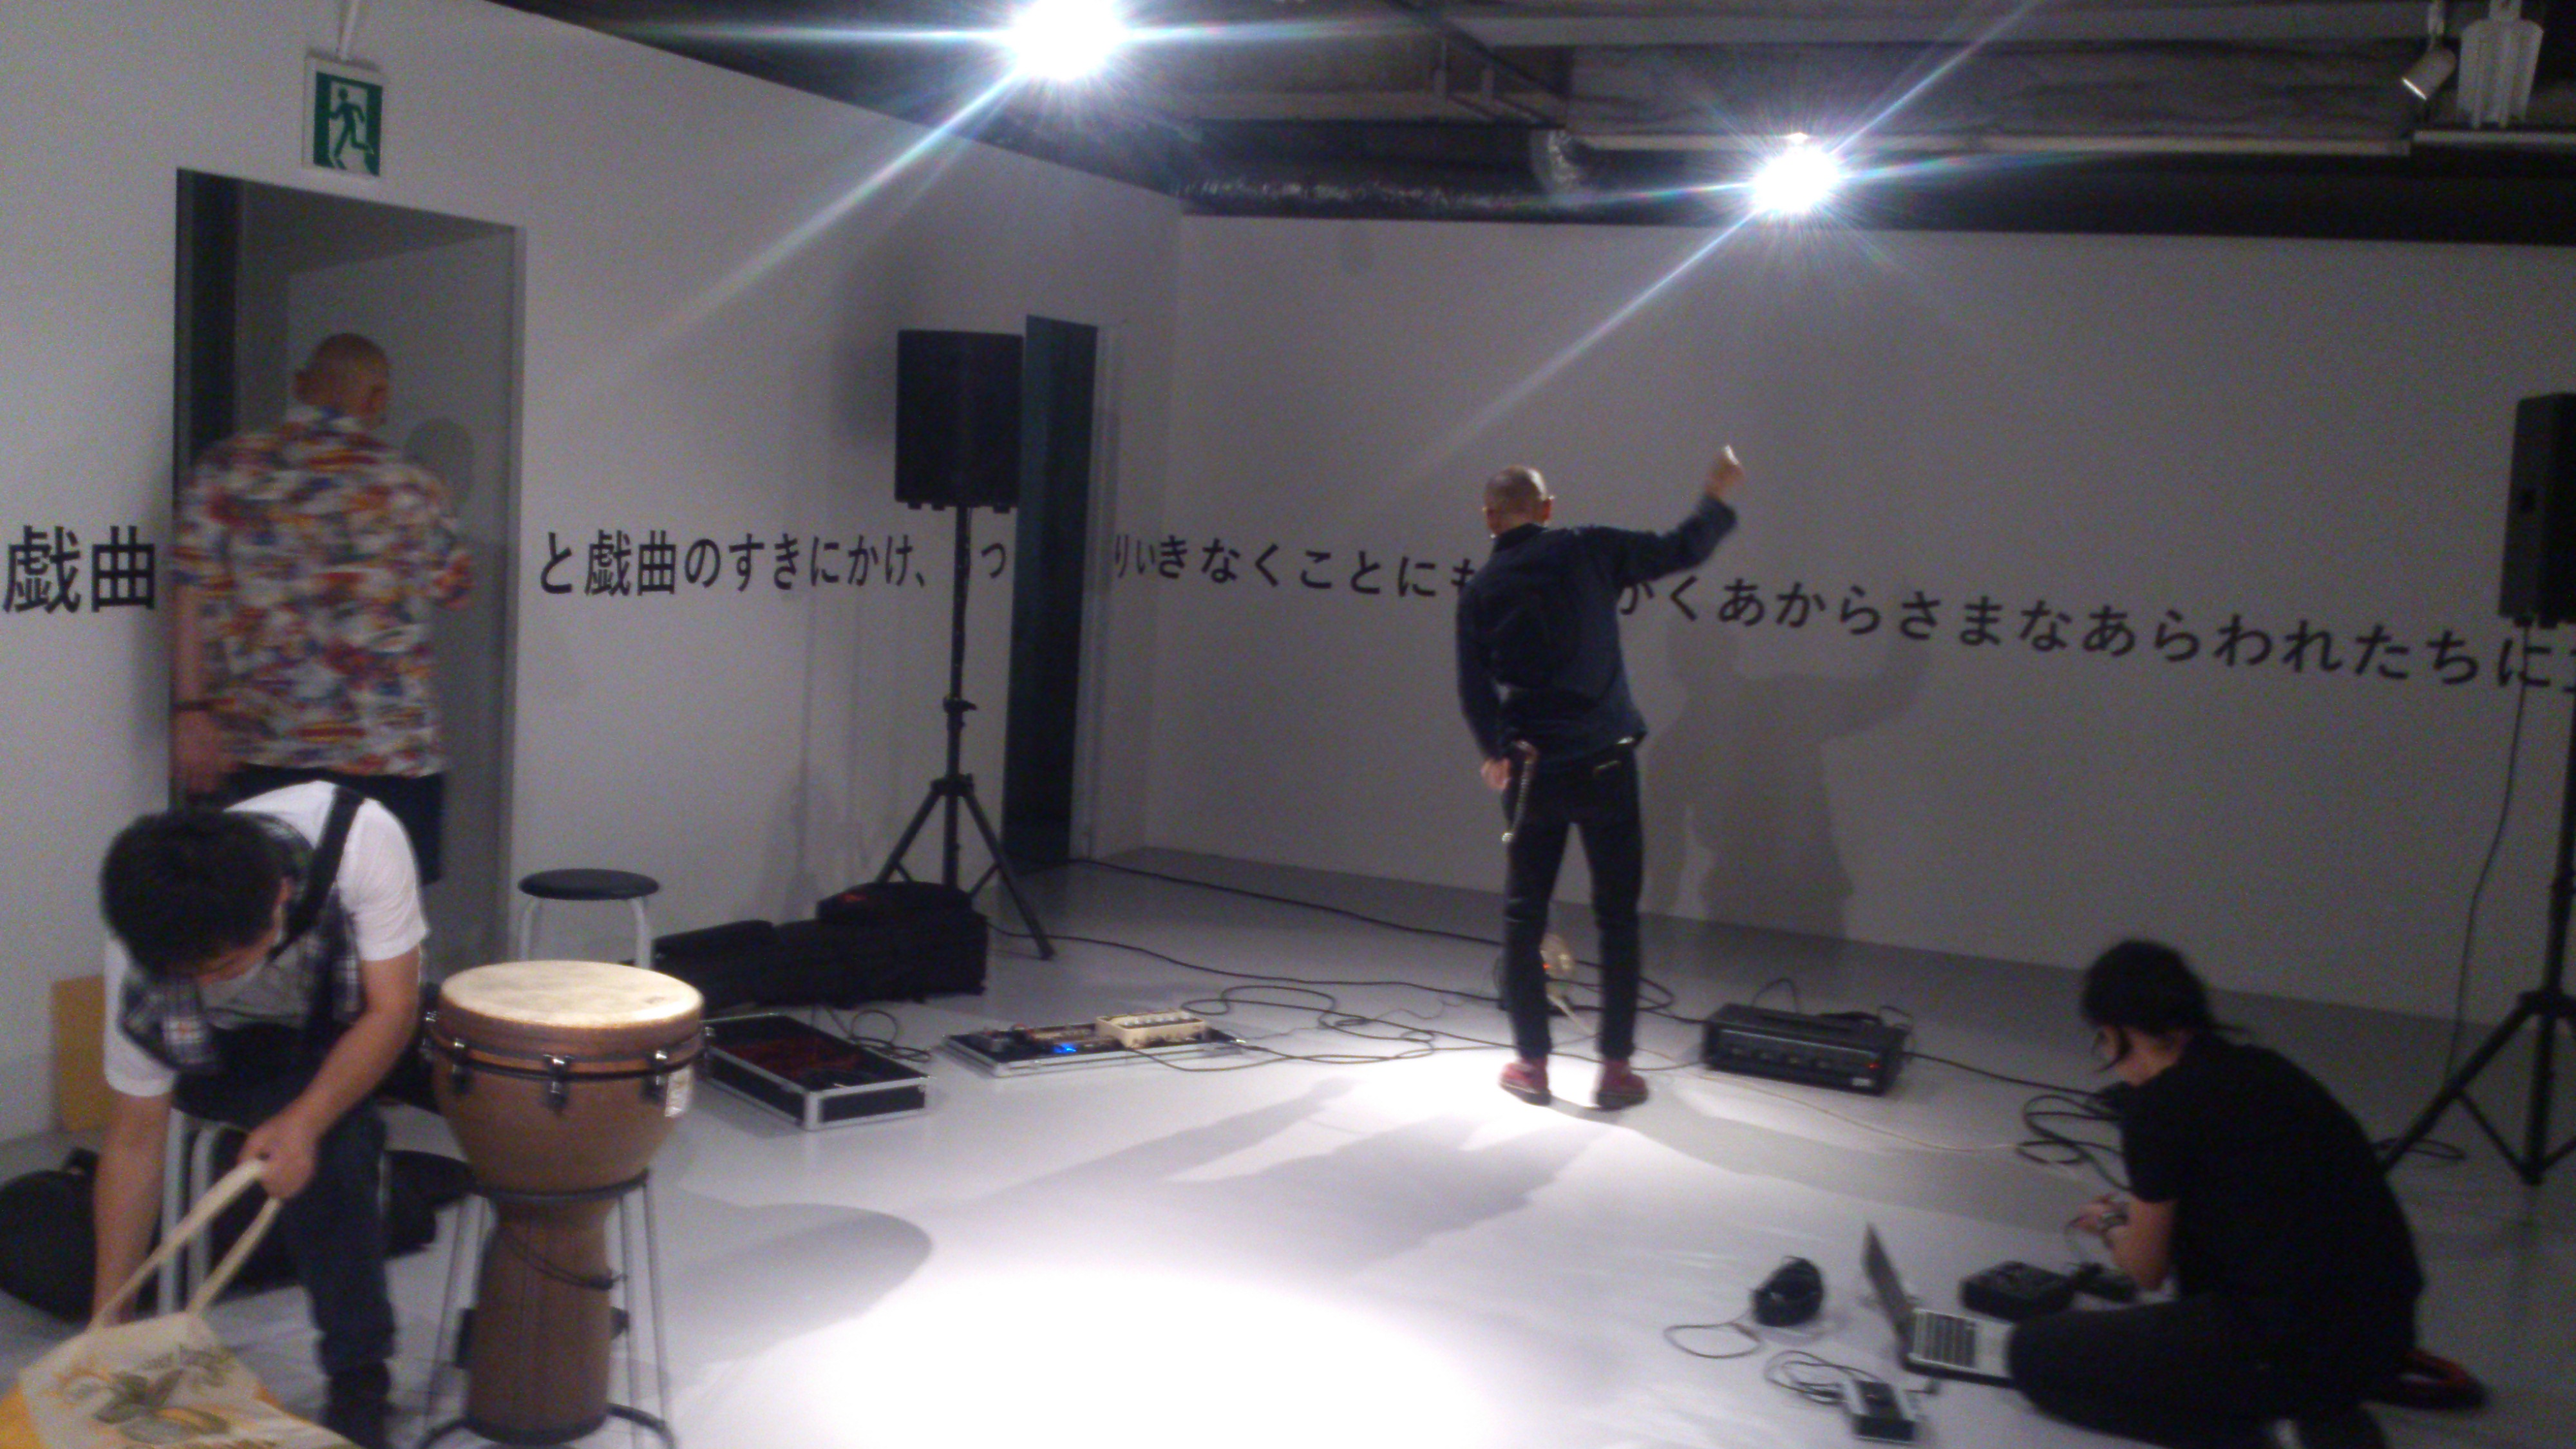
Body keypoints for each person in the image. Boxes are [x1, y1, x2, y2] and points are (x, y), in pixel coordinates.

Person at [94, 783, 429, 1449]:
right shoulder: (145, 947)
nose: (207, 983)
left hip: (342, 1022)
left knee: (344, 1142)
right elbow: (134, 1140)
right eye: (190, 975)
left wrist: (304, 1120)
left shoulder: (360, 842)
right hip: (217, 1055)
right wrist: (110, 1319)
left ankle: (360, 1373)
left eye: (223, 967)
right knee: (327, 1139)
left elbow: (392, 1010)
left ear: (281, 896)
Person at [2007, 941, 2423, 1449]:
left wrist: (2112, 1227)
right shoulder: (2267, 1068)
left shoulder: (2157, 1109)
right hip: (2386, 1338)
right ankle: (2299, 1409)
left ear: (2118, 1033)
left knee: (2031, 1353)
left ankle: (2262, 1433)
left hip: (2285, 1348)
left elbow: (2146, 1270)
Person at [1455, 450, 1745, 1109]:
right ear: (1548, 508)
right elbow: (1681, 548)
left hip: (1532, 771)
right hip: (1605, 762)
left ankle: (1531, 1065)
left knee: (1525, 916)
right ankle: (1615, 1070)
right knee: (1617, 917)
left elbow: (1474, 689)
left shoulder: (1481, 590)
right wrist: (1715, 495)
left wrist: (1494, 749)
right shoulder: (1586, 549)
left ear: (1489, 518)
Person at [171, 333, 471, 882]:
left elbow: (188, 590)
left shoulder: (224, 469)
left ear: (300, 385)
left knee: (261, 910)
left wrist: (190, 710)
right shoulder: (416, 484)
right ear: (378, 399)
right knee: (380, 916)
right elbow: (453, 590)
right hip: (389, 748)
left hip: (263, 743)